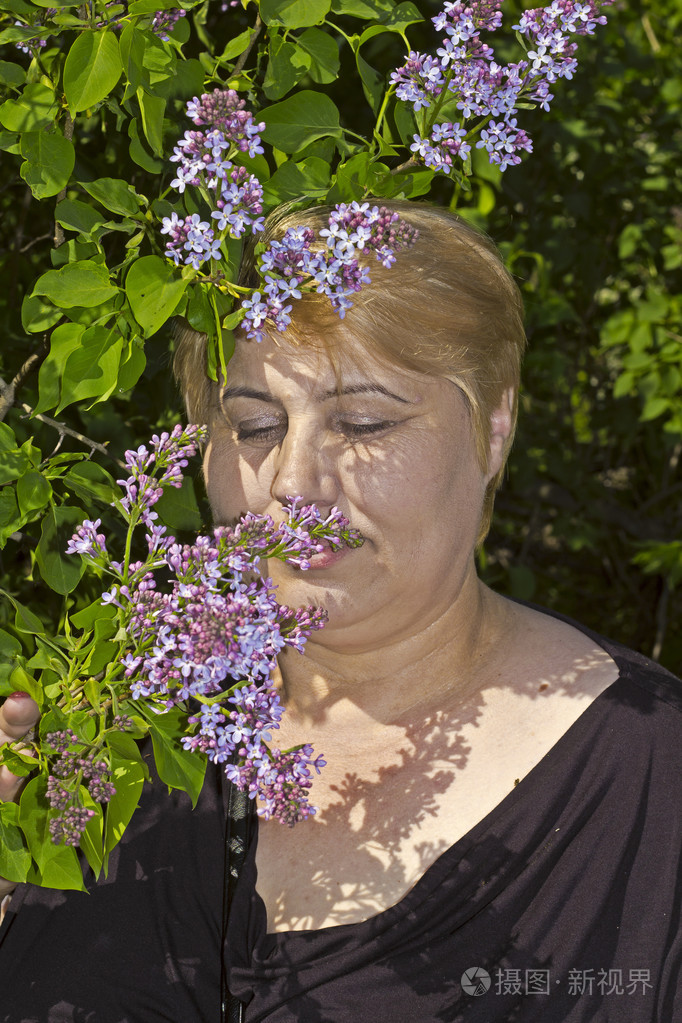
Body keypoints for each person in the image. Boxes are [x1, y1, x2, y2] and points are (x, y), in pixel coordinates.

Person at [1, 200, 681, 1022]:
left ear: (493, 430)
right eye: (254, 426)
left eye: (362, 422)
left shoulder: (653, 785)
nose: (293, 481)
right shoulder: (102, 733)